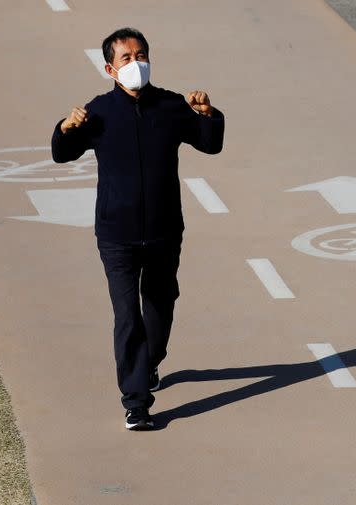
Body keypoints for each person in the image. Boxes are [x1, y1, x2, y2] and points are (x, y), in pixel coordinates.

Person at [51, 27, 225, 430]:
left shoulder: (170, 106)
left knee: (161, 307)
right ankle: (136, 403)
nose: (137, 63)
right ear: (111, 68)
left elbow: (210, 144)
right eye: (127, 58)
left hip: (165, 230)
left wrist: (208, 115)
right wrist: (65, 126)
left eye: (142, 55)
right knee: (128, 316)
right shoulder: (98, 113)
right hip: (117, 235)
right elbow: (63, 154)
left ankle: (149, 363)